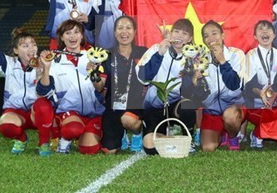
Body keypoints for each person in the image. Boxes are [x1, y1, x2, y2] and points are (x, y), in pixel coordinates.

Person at [0, 24, 54, 156]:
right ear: (16, 50)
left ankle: (43, 143)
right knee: (6, 127)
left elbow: (43, 92)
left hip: (36, 114)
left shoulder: (44, 64)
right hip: (16, 112)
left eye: (33, 44)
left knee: (43, 105)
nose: (31, 48)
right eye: (25, 46)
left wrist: (43, 73)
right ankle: (21, 139)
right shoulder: (9, 63)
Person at [36, 20, 105, 154]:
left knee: (90, 149)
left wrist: (94, 74)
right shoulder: (54, 60)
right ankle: (64, 140)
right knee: (73, 129)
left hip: (94, 112)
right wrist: (46, 68)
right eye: (68, 33)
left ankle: (82, 135)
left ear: (82, 36)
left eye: (76, 32)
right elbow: (42, 92)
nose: (72, 37)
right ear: (61, 37)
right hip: (68, 112)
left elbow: (100, 88)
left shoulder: (93, 57)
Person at [136, 19, 198, 155]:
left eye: (185, 33)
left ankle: (189, 139)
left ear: (190, 39)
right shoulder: (156, 49)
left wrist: (189, 67)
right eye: (176, 31)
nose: (179, 36)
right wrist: (160, 54)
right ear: (171, 34)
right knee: (150, 147)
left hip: (175, 104)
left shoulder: (193, 58)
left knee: (187, 105)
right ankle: (173, 138)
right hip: (154, 106)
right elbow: (142, 78)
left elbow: (188, 93)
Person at [183, 21, 246, 152]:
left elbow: (234, 85)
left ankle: (232, 135)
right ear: (204, 40)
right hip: (211, 110)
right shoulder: (200, 59)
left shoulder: (236, 54)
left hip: (233, 106)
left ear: (222, 36)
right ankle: (222, 132)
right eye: (206, 35)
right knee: (207, 147)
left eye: (214, 33)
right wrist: (195, 82)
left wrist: (223, 61)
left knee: (230, 116)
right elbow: (198, 95)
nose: (210, 38)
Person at [100, 16, 148, 154]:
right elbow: (99, 87)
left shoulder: (143, 53)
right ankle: (122, 135)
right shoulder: (106, 55)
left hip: (136, 104)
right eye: (120, 28)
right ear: (115, 33)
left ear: (135, 31)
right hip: (113, 105)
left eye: (128, 28)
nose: (124, 32)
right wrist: (95, 76)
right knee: (109, 151)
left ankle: (137, 133)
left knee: (128, 119)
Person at [243, 20, 277, 148]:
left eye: (268, 29)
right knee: (267, 116)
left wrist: (272, 97)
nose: (265, 31)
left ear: (274, 35)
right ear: (255, 37)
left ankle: (263, 132)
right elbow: (249, 85)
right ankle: (258, 134)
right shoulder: (250, 55)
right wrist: (261, 93)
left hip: (276, 102)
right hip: (257, 103)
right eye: (260, 29)